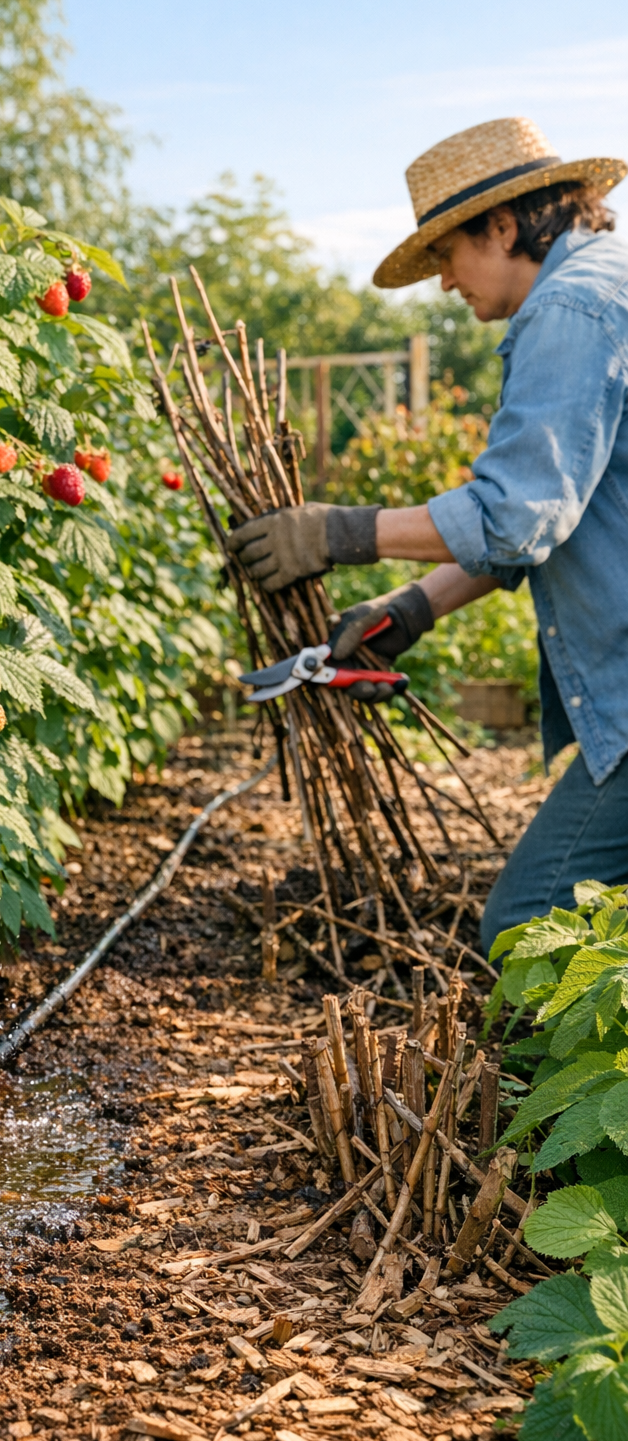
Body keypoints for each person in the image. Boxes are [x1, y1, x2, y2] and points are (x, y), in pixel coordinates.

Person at [227, 118, 628, 953]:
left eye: (446, 253)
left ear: (505, 225)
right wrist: (411, 610)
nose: (444, 283)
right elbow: (567, 513)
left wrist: (335, 533)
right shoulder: (601, 288)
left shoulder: (571, 309)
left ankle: (544, 1089)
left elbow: (516, 519)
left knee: (527, 930)